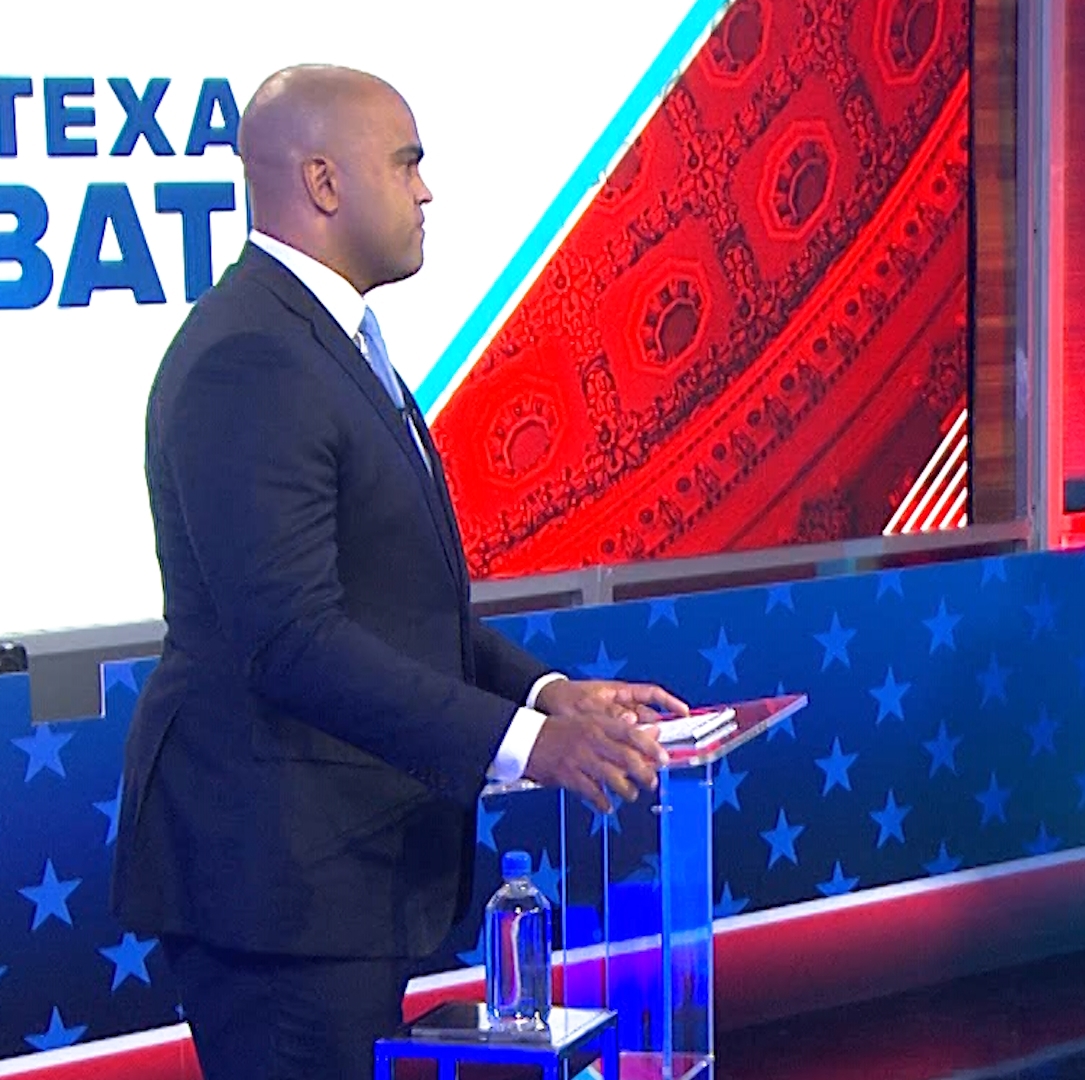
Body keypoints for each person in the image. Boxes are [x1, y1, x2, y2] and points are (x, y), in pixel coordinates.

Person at [110, 65, 689, 1080]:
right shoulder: (252, 359)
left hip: (339, 878)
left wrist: (550, 694)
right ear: (325, 183)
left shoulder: (326, 344)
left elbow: (393, 607)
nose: (426, 191)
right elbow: (292, 639)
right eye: (407, 162)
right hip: (278, 889)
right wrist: (527, 746)